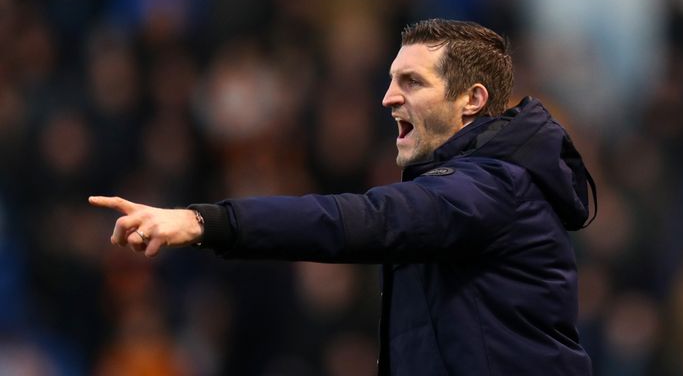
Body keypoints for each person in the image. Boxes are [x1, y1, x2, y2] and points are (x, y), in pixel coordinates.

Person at [90, 19, 595, 375]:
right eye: (391, 80)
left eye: (411, 82)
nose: (388, 97)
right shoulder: (473, 184)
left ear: (472, 100)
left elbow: (363, 219)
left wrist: (205, 222)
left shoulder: (492, 187)